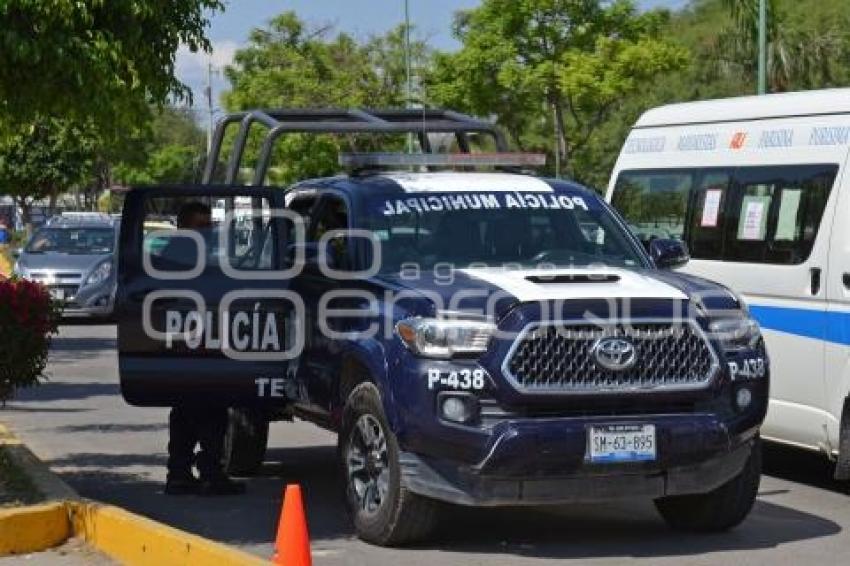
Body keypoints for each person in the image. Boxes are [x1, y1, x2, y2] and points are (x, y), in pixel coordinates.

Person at [163, 201, 245, 496]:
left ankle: (181, 473)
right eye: (201, 225)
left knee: (187, 411)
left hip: (195, 344)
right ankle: (209, 472)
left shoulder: (192, 254)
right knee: (209, 409)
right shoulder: (179, 256)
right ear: (184, 227)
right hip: (190, 344)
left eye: (209, 225)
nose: (207, 231)